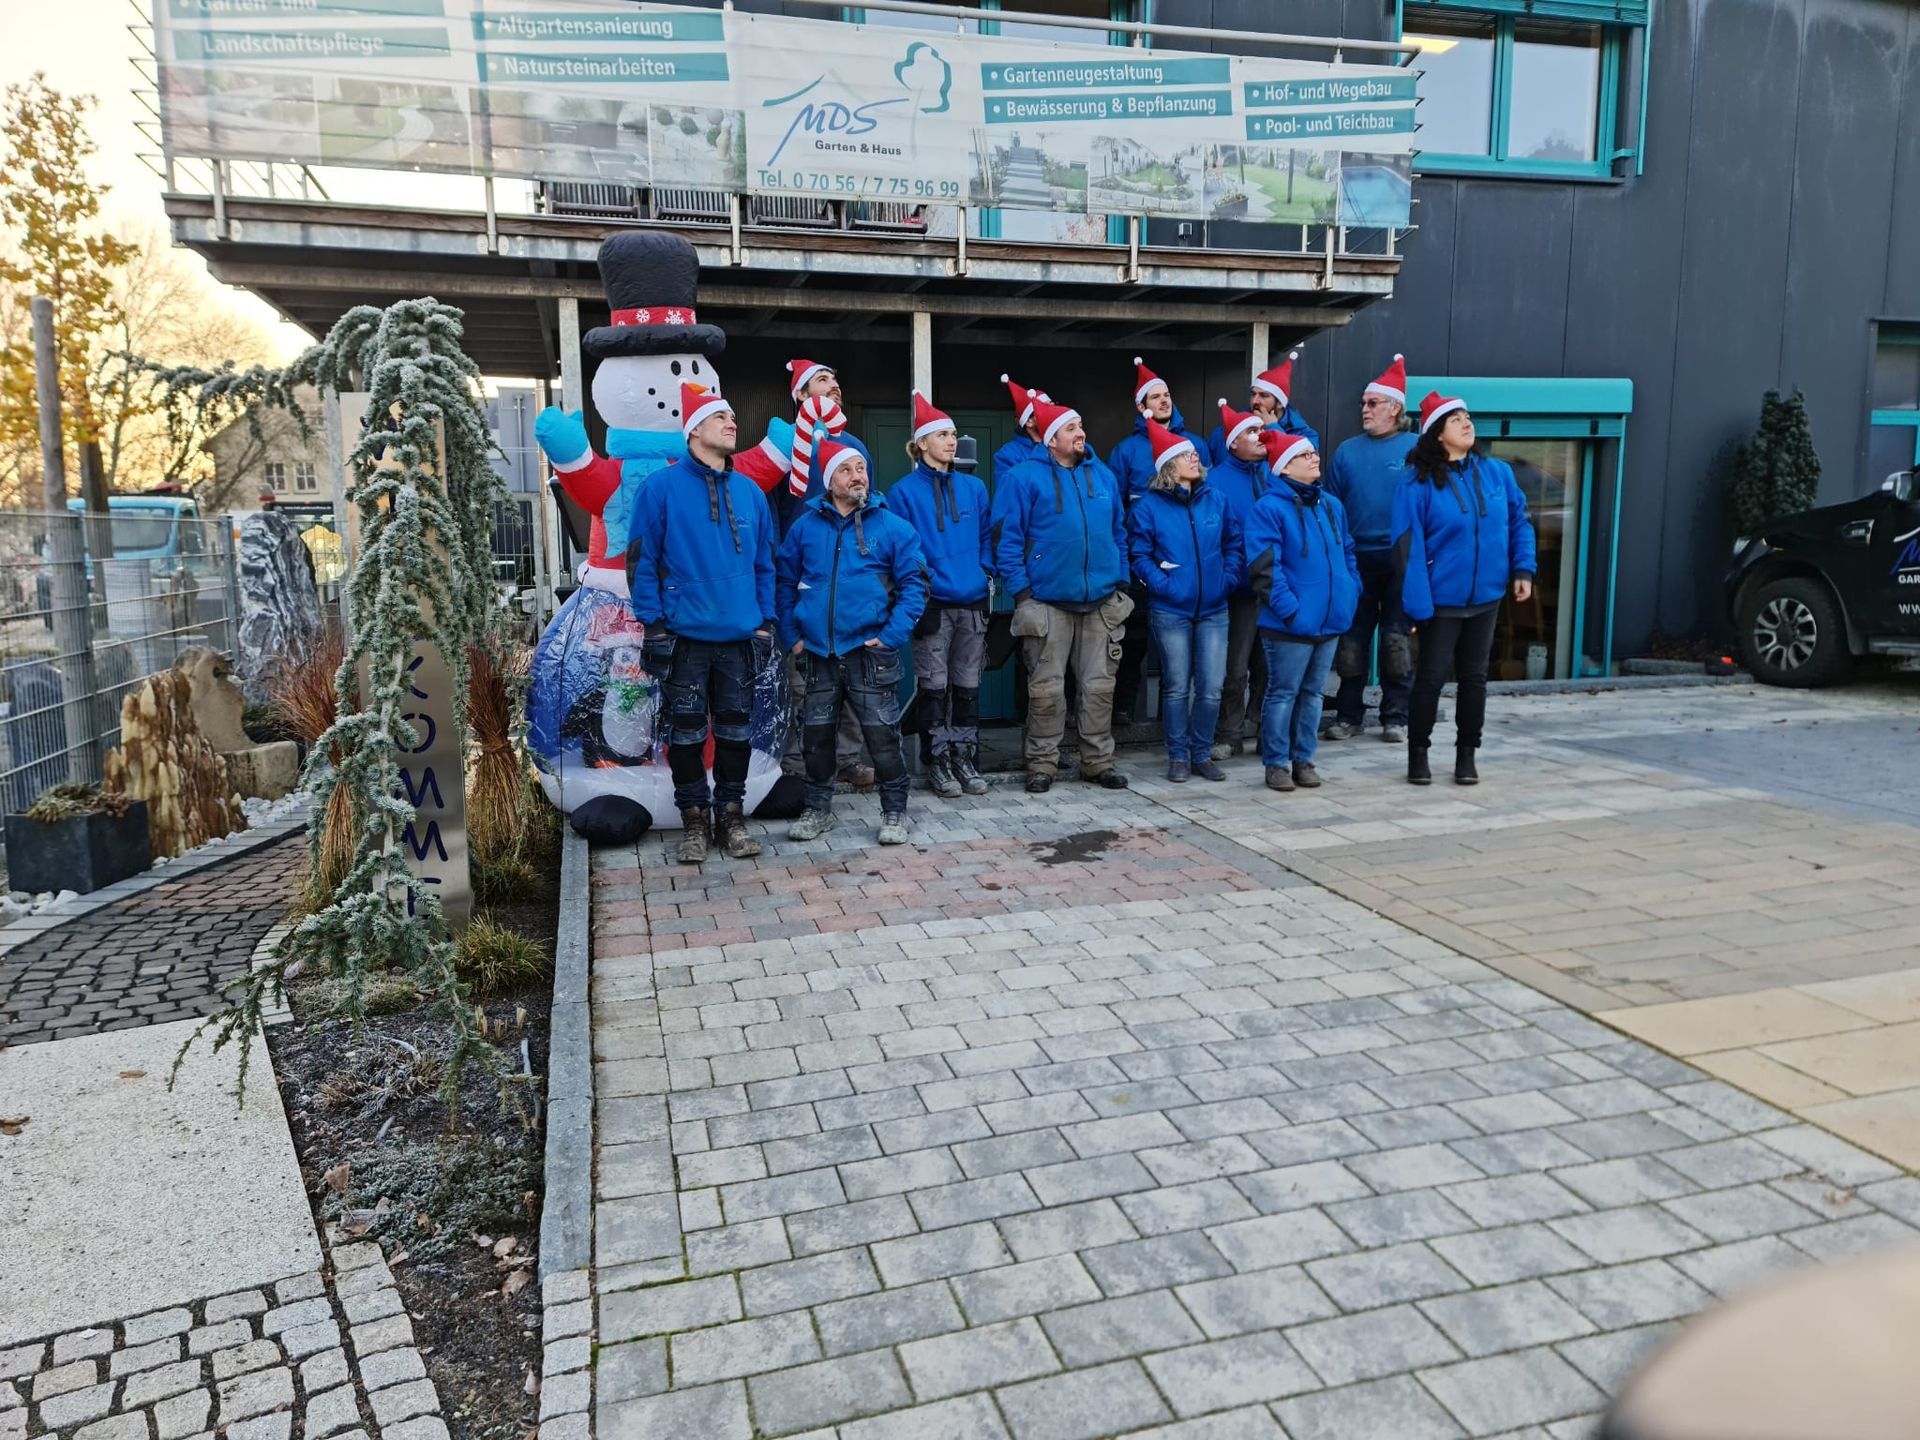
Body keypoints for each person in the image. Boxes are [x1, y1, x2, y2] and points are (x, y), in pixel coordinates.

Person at [628, 384, 778, 865]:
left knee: (736, 733)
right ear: (694, 430)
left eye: (733, 416)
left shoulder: (751, 492)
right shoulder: (660, 488)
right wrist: (654, 624)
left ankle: (731, 818)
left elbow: (765, 566)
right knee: (687, 734)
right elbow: (641, 561)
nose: (732, 423)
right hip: (684, 639)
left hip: (739, 639)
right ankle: (694, 821)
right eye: (721, 417)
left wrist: (765, 622)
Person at [776, 440, 929, 845]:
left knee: (882, 739)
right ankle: (817, 810)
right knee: (816, 738)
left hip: (870, 653)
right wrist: (792, 638)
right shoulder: (805, 528)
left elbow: (916, 584)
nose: (858, 475)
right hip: (816, 655)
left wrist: (893, 635)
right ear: (830, 481)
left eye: (861, 467)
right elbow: (784, 582)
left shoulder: (892, 527)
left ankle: (895, 812)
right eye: (847, 470)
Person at [992, 394, 1132, 794]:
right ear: (1050, 439)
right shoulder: (1022, 477)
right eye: (1071, 428)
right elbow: (1005, 538)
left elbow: (1119, 533)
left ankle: (1098, 763)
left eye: (1081, 425)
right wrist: (1023, 594)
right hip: (1047, 604)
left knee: (1100, 689)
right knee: (1046, 691)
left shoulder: (1103, 476)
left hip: (1101, 604)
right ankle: (1041, 764)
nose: (1080, 432)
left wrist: (1119, 582)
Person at [1394, 391, 1537, 786]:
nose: (1466, 423)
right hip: (1440, 603)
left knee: (1475, 679)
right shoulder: (1416, 483)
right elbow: (1408, 547)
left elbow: (1520, 522)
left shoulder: (1498, 474)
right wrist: (1418, 606)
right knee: (1431, 679)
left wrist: (1522, 569)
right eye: (1455, 419)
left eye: (1467, 416)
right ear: (1438, 433)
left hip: (1487, 598)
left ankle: (1466, 754)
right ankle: (1418, 752)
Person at [888, 392, 992, 798]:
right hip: (932, 605)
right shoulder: (902, 492)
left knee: (967, 685)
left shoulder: (975, 487)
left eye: (953, 434)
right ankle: (938, 762)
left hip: (972, 602)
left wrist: (984, 571)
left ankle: (965, 757)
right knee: (933, 688)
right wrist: (922, 588)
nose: (952, 440)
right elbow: (903, 549)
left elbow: (986, 536)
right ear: (922, 444)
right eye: (942, 434)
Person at [1127, 418, 1242, 782]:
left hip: (1214, 609)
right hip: (1171, 609)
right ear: (1168, 466)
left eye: (1195, 453)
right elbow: (1139, 556)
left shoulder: (1216, 500)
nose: (1196, 457)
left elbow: (1234, 544)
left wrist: (1227, 580)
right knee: (1176, 686)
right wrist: (1166, 586)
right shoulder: (1148, 507)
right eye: (1187, 455)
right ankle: (1177, 757)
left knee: (1210, 687)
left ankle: (1201, 754)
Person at [781, 357, 878, 790]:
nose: (835, 386)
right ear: (801, 395)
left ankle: (848, 758)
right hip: (803, 577)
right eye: (823, 380)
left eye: (837, 379)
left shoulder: (854, 445)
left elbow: (868, 502)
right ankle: (797, 763)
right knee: (801, 682)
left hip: (853, 573)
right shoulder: (784, 444)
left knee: (854, 675)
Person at [1245, 431, 1360, 792]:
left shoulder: (1331, 506)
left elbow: (1349, 553)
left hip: (1330, 621)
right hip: (1290, 625)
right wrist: (1292, 612)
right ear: (1285, 466)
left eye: (1314, 451)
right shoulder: (1268, 509)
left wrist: (1350, 592)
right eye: (1304, 454)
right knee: (1283, 693)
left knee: (1313, 694)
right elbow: (1265, 569)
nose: (1315, 457)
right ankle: (1277, 763)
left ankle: (1304, 759)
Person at [1324, 353, 1418, 743]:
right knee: (1351, 643)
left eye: (1372, 403)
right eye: (1363, 403)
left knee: (1397, 640)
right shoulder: (1346, 451)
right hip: (1356, 561)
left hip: (1403, 560)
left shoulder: (1417, 449)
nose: (1364, 409)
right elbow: (1330, 507)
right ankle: (1348, 716)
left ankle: (1395, 716)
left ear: (1394, 407)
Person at [1107, 359, 1204, 727]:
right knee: (1132, 641)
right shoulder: (1126, 451)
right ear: (1141, 405)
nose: (1165, 401)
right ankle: (1124, 710)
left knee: (1178, 644)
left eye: (1167, 395)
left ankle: (1170, 716)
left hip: (1184, 560)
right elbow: (1115, 507)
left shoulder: (1192, 444)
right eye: (1156, 396)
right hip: (1139, 560)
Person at [1208, 399, 1274, 760]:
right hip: (1239, 593)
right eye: (1251, 431)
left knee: (1270, 665)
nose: (1260, 435)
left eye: (1261, 429)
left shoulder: (1274, 473)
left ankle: (1265, 730)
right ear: (1232, 442)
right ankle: (1228, 733)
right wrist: (1230, 579)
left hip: (1276, 591)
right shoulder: (1216, 481)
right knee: (1235, 669)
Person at [1206, 350, 1320, 465]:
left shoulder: (1305, 434)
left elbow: (1298, 465)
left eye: (1264, 396)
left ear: (1280, 403)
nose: (1255, 401)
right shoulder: (1227, 430)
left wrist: (1273, 428)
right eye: (1253, 394)